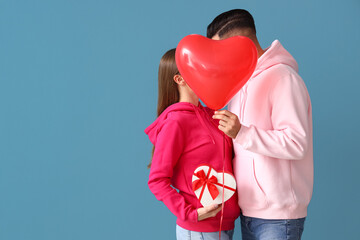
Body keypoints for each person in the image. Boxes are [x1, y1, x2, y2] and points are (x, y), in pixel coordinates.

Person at [208, 9, 314, 240]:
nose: (219, 59)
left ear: (240, 43)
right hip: (248, 211)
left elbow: (296, 143)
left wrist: (242, 132)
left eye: (221, 50)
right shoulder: (239, 85)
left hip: (279, 216)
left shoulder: (284, 79)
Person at [145, 49, 240, 240]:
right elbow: (157, 180)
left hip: (226, 225)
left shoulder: (213, 115)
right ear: (179, 80)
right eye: (196, 69)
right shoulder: (175, 122)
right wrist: (190, 214)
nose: (204, 73)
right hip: (199, 231)